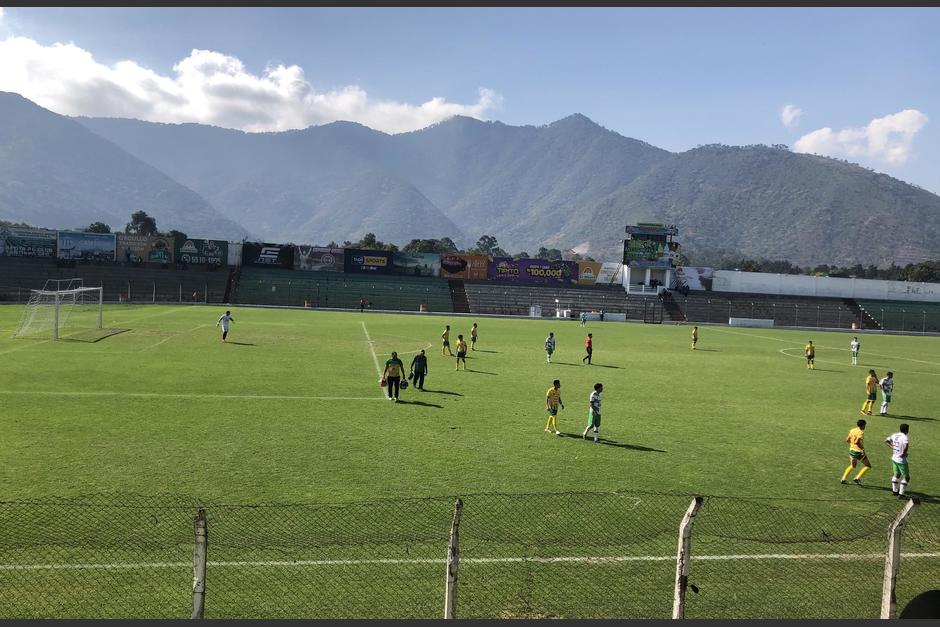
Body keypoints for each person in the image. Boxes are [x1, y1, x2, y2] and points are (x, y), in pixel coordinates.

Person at [840, 419, 871, 484]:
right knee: (868, 466)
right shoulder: (861, 432)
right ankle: (857, 478)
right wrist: (862, 449)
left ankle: (843, 478)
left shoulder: (852, 430)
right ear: (862, 425)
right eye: (864, 425)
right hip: (858, 452)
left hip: (851, 450)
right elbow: (857, 442)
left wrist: (852, 445)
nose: (865, 427)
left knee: (852, 466)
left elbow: (847, 439)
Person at [884, 423, 911, 499]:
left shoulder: (895, 435)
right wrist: (903, 453)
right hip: (901, 460)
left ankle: (895, 491)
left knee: (897, 474)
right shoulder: (905, 437)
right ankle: (901, 494)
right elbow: (906, 446)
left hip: (894, 458)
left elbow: (886, 441)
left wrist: (892, 447)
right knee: (906, 477)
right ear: (907, 430)